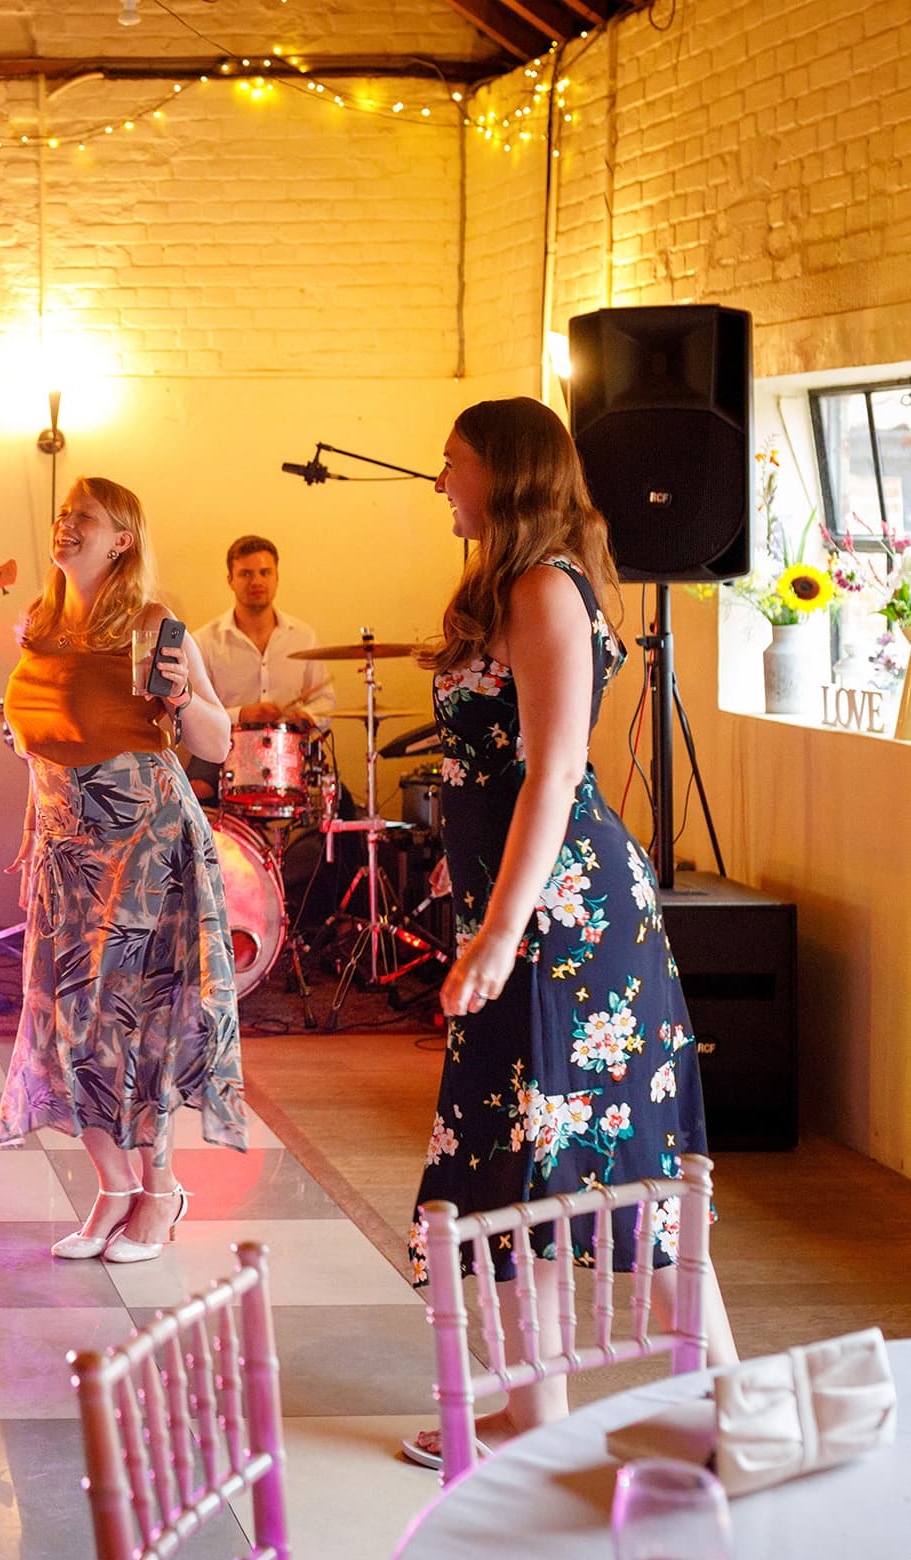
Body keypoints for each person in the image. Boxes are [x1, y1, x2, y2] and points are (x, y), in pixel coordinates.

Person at [399, 398, 736, 1471]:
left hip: (565, 922)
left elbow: (554, 774)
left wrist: (501, 934)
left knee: (620, 1162)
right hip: (517, 910)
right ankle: (531, 1411)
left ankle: (734, 1406)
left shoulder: (545, 590)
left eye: (451, 464)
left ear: (502, 475)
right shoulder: (503, 589)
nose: (439, 480)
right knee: (512, 1160)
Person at [0, 477, 246, 1263]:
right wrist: (36, 818)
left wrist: (178, 696)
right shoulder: (35, 623)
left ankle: (160, 1189)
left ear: (122, 539)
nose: (66, 527)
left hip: (144, 845)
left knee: (135, 1025)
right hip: (68, 850)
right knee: (68, 1025)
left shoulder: (152, 625)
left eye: (85, 519)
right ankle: (113, 1188)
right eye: (63, 516)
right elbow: (39, 735)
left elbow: (217, 740)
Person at [187, 535, 334, 802]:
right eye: (245, 574)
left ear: (276, 577)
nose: (256, 581)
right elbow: (195, 712)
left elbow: (326, 701)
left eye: (265, 572)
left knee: (339, 804)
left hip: (289, 750)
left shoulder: (304, 636)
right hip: (225, 749)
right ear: (230, 580)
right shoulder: (203, 641)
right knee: (194, 795)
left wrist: (306, 717)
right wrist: (243, 714)